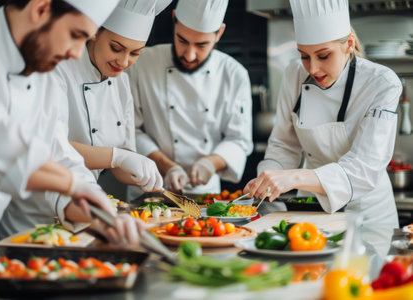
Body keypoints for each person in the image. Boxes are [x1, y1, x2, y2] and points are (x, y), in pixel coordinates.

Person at [0, 0, 143, 248]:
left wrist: (100, 214)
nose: (77, 53)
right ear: (40, 9)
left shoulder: (42, 77)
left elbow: (59, 154)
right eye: (75, 35)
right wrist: (74, 185)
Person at [0, 0, 172, 238]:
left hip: (81, 209)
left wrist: (143, 171)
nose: (123, 62)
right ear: (95, 33)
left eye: (135, 53)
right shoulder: (55, 66)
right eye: (116, 48)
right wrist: (117, 157)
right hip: (31, 214)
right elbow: (49, 148)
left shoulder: (121, 83)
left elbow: (117, 163)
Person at [244, 0, 402, 228]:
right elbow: (284, 145)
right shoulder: (294, 75)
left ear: (349, 44)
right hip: (314, 213)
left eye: (324, 56)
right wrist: (269, 178)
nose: (313, 68)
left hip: (370, 215)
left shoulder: (382, 83)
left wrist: (293, 178)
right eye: (304, 56)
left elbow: (363, 168)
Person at [127, 0, 253, 199]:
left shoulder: (234, 74)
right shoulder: (142, 64)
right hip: (149, 188)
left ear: (219, 33)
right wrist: (168, 167)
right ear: (174, 19)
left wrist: (210, 163)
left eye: (202, 44)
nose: (189, 55)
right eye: (182, 40)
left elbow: (238, 139)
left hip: (206, 195)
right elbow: (130, 130)